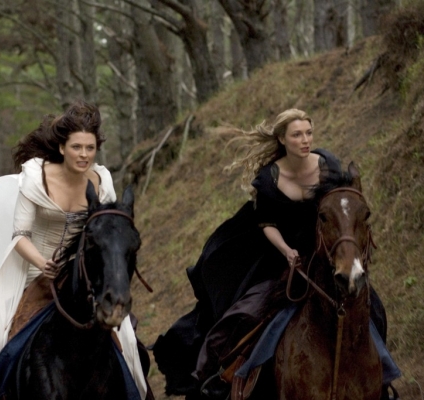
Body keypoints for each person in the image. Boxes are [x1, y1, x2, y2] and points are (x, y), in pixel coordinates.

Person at [0, 101, 149, 400]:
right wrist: (42, 263)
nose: (84, 154)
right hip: (32, 274)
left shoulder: (102, 180)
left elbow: (107, 232)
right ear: (62, 148)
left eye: (90, 148)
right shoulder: (36, 177)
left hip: (85, 280)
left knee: (133, 349)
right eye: (77, 147)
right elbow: (19, 236)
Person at [152, 109, 398, 398]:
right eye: (297, 135)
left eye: (308, 133)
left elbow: (337, 207)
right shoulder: (269, 178)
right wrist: (287, 251)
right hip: (282, 258)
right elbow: (267, 224)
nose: (305, 140)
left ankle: (381, 379)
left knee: (372, 307)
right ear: (282, 139)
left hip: (325, 252)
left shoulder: (327, 165)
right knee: (246, 314)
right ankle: (226, 377)